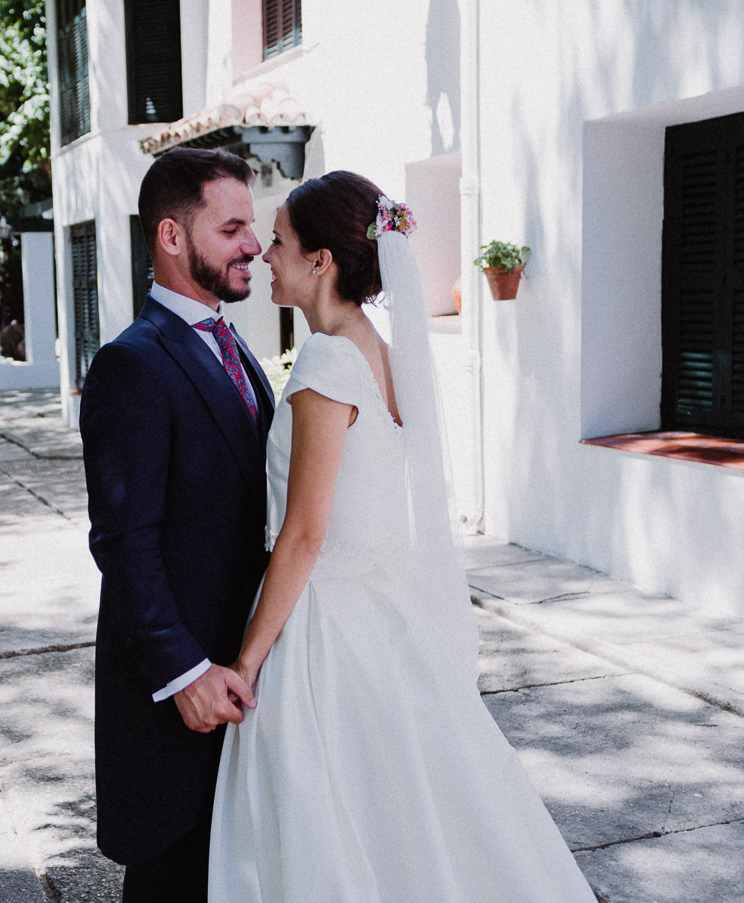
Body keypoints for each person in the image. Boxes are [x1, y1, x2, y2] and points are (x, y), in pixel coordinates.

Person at [208, 171, 598, 902]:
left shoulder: (326, 362)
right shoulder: (375, 349)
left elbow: (304, 534)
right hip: (385, 612)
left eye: (282, 243)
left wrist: (248, 657)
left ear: (321, 261)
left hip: (327, 627)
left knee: (330, 820)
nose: (266, 255)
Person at [80, 147, 277, 902]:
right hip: (181, 704)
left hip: (245, 677)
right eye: (231, 227)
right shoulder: (131, 365)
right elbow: (124, 542)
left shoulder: (235, 349)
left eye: (251, 227)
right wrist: (184, 673)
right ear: (171, 235)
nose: (252, 244)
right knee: (171, 878)